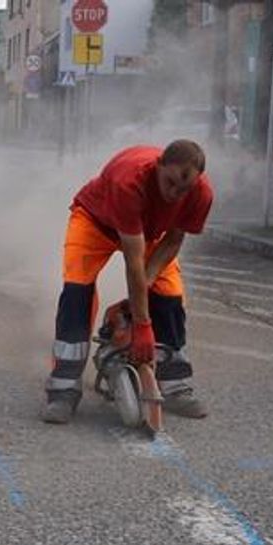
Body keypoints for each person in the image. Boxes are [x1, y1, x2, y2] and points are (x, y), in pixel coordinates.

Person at [42, 140, 214, 425]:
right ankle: (63, 390)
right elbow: (133, 261)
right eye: (169, 183)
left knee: (170, 294)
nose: (174, 194)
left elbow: (172, 241)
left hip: (148, 232)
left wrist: (148, 283)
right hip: (95, 222)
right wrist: (143, 324)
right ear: (157, 166)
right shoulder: (129, 181)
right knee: (77, 290)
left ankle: (175, 386)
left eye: (183, 189)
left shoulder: (201, 194)